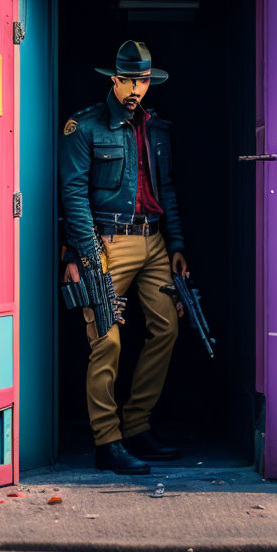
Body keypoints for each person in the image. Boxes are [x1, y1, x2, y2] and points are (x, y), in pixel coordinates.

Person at [59, 40, 188, 475]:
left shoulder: (156, 128)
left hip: (153, 242)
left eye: (143, 80)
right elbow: (73, 194)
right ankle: (107, 440)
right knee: (106, 339)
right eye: (129, 79)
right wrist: (87, 251)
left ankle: (136, 424)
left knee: (167, 327)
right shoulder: (86, 127)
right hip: (108, 242)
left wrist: (176, 246)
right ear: (113, 80)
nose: (136, 88)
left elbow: (165, 190)